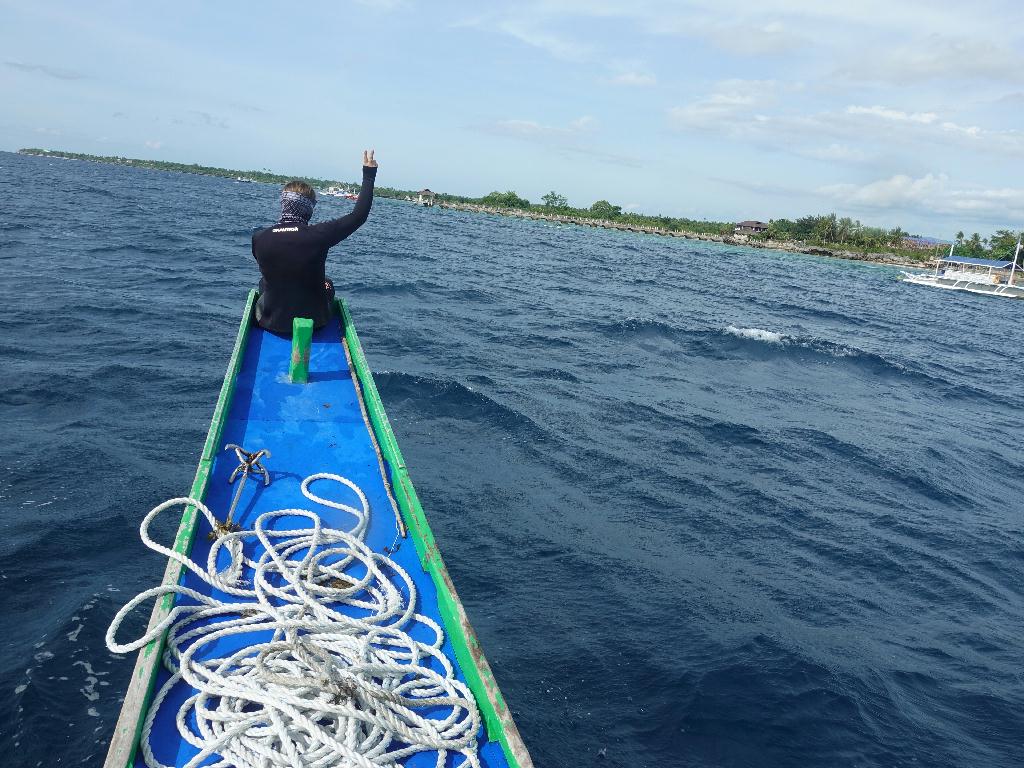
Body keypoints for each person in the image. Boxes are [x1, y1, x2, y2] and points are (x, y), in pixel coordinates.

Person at [252, 150, 378, 334]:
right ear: (308, 208)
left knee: (264, 282)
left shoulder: (259, 238)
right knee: (328, 283)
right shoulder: (318, 235)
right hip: (315, 322)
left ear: (284, 204)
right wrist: (369, 175)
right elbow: (358, 216)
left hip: (270, 323)